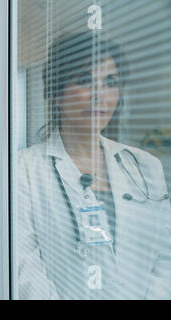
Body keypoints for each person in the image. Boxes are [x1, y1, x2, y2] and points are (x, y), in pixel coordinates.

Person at [16, 32, 171, 299]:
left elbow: (165, 256)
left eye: (110, 82)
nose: (100, 95)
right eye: (85, 81)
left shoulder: (146, 167)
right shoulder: (24, 169)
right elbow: (24, 266)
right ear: (55, 93)